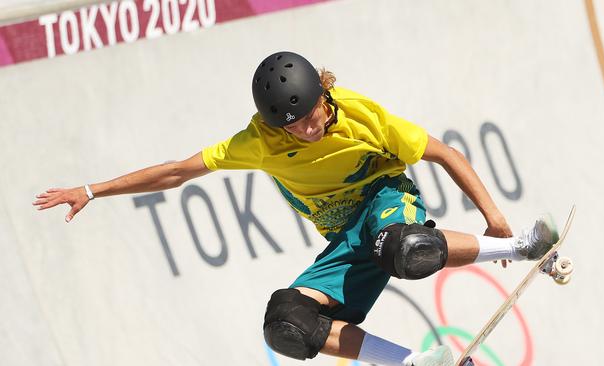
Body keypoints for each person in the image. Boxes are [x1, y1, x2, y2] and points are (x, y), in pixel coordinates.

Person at [33, 51, 558, 366]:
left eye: (311, 116)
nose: (308, 130)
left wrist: (497, 224)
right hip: (343, 237)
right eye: (294, 126)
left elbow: (444, 152)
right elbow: (176, 171)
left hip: (385, 203)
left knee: (407, 250)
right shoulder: (257, 141)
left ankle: (526, 245)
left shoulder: (363, 117)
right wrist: (92, 189)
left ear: (324, 94)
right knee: (286, 323)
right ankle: (410, 363)